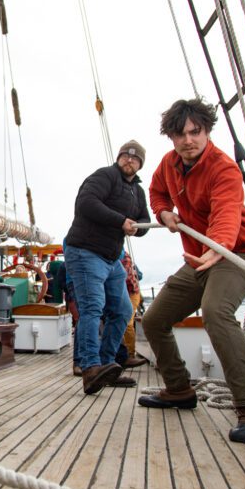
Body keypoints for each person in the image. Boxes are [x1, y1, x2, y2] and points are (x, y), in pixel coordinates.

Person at [139, 98, 245, 443]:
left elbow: (227, 211)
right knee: (153, 320)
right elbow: (156, 192)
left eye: (195, 132)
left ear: (206, 131)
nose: (188, 141)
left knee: (215, 312)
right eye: (179, 135)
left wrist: (218, 245)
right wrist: (164, 212)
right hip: (198, 258)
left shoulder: (223, 168)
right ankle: (179, 390)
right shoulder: (169, 164)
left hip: (235, 253)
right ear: (171, 138)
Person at [64, 140, 151, 394]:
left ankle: (105, 365)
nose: (129, 160)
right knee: (92, 308)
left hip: (112, 259)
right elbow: (86, 203)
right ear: (119, 157)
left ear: (140, 164)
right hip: (85, 251)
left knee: (123, 310)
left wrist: (137, 227)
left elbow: (143, 219)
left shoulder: (138, 192)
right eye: (126, 156)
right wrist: (121, 221)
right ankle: (90, 368)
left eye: (135, 159)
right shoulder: (105, 176)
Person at [120, 252, 147, 368]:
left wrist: (134, 273)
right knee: (117, 322)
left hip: (132, 293)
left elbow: (139, 275)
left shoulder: (125, 257)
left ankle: (130, 355)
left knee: (127, 323)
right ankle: (120, 354)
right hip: (121, 293)